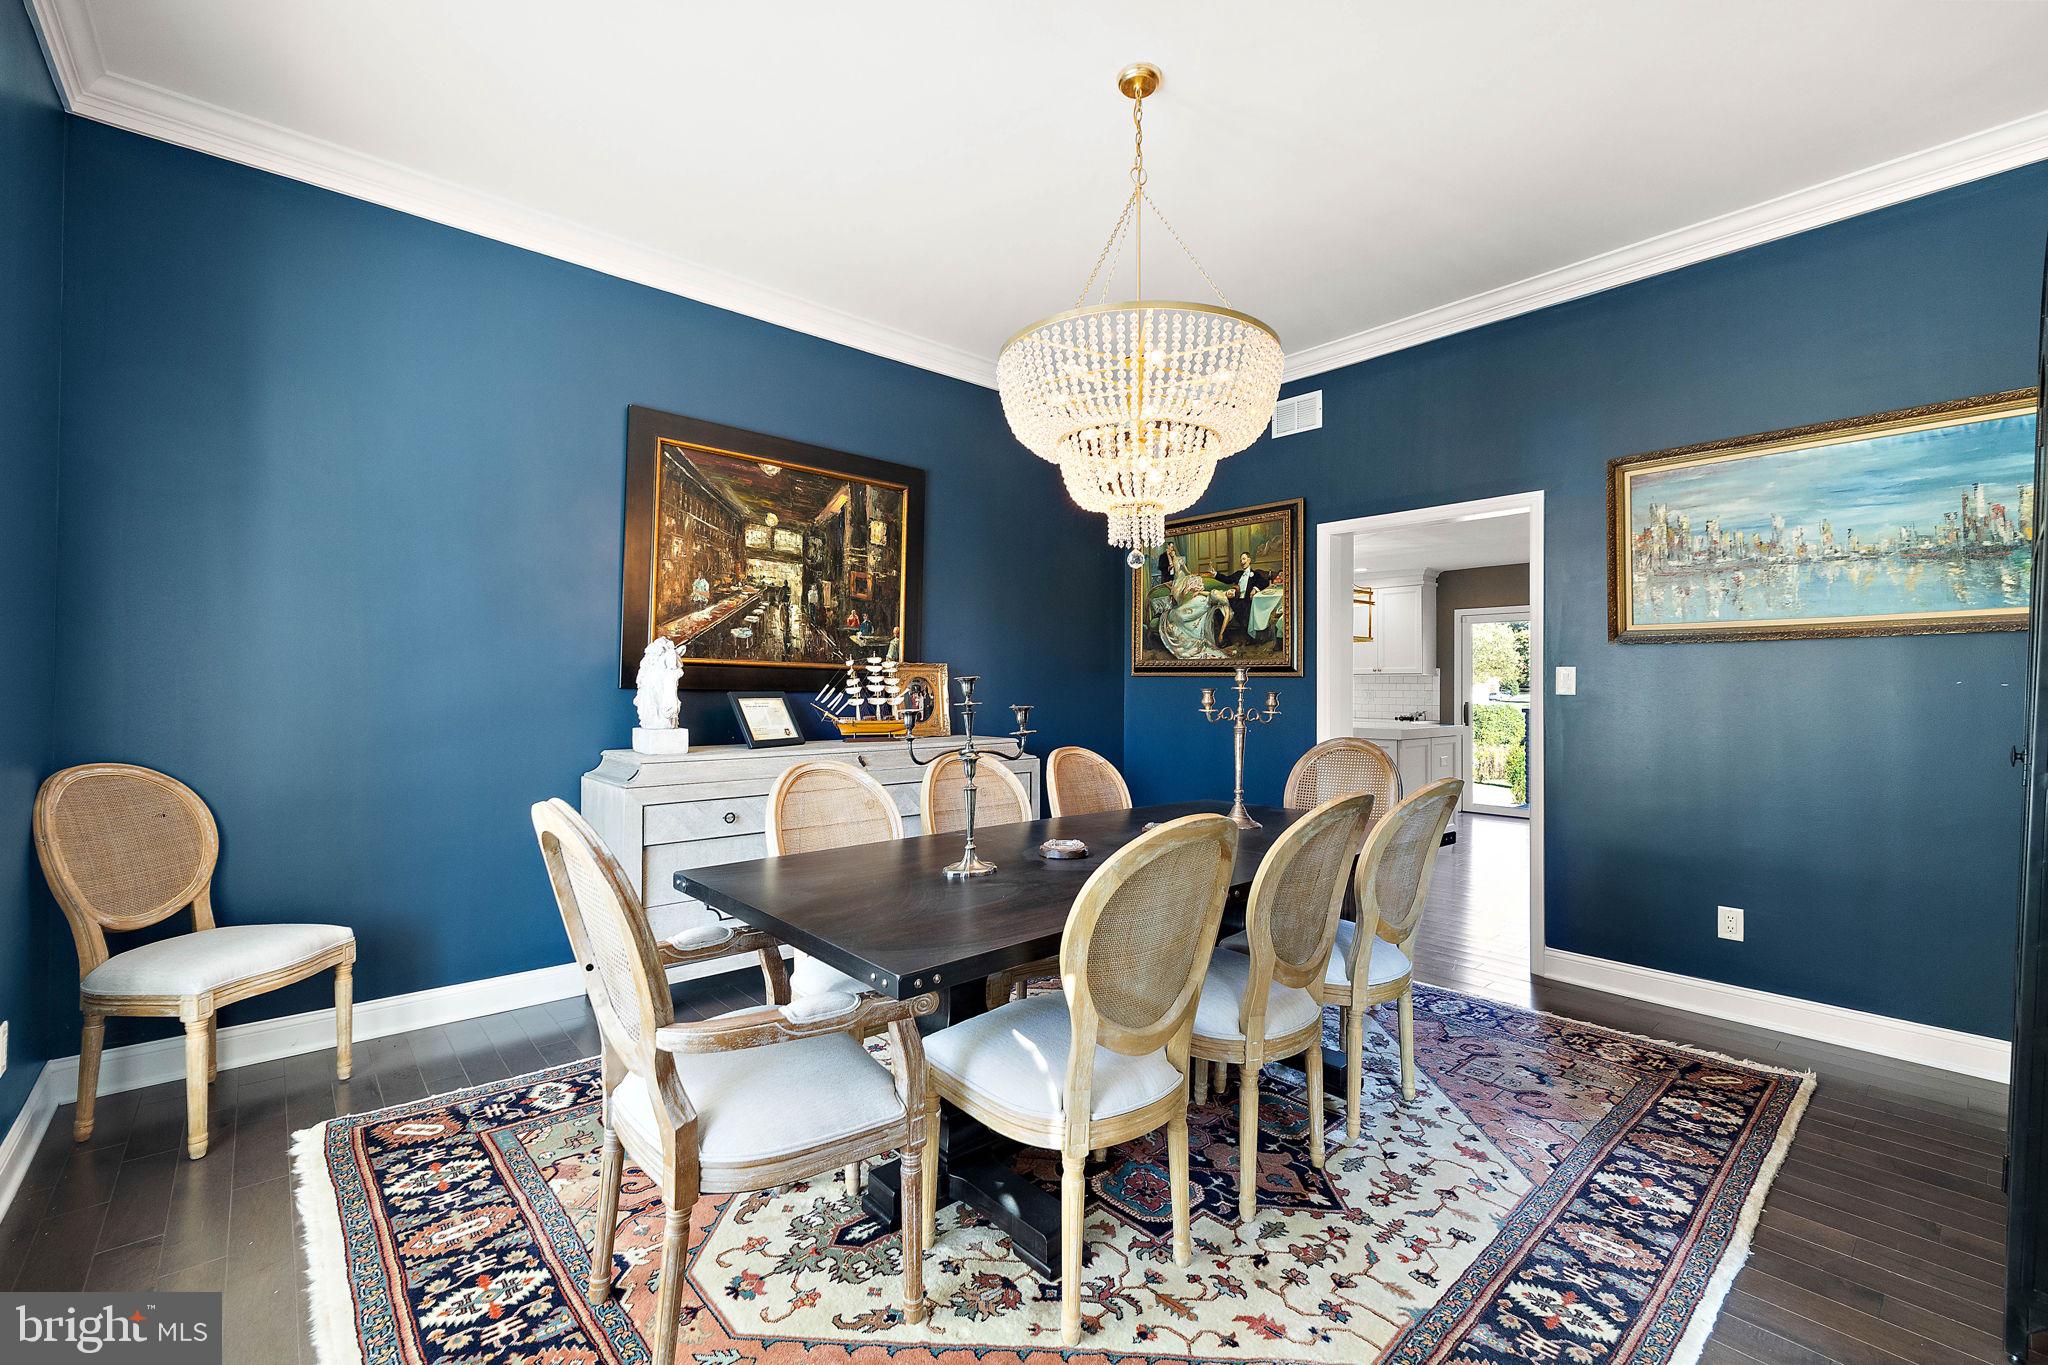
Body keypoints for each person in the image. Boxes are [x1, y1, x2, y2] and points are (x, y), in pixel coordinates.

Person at [1151, 544, 1228, 659]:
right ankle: (1175, 603)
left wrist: (1189, 575)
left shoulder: (1179, 559)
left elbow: (1184, 570)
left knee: (1184, 592)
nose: (1171, 550)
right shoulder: (1164, 557)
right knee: (1177, 594)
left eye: (1172, 548)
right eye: (1169, 548)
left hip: (1179, 577)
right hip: (1172, 577)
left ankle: (1176, 607)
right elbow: (1169, 570)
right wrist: (1169, 559)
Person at [1222, 551, 1271, 644]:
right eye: (1241, 560)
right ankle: (1241, 637)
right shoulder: (1238, 574)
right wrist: (1215, 574)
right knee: (1237, 612)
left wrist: (1255, 589)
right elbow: (1227, 579)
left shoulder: (1255, 574)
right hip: (1236, 600)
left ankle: (1251, 638)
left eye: (1244, 559)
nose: (1242, 562)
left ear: (1249, 560)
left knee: (1246, 613)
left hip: (1246, 600)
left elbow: (1264, 582)